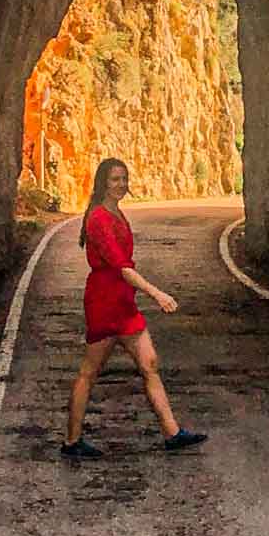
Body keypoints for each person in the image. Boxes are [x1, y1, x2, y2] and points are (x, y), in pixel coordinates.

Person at [62, 157, 208, 460]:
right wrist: (157, 294)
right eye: (115, 179)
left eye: (124, 179)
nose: (121, 185)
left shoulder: (115, 213)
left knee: (149, 363)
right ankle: (71, 441)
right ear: (103, 182)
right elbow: (121, 267)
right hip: (105, 301)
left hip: (123, 301)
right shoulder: (99, 219)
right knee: (89, 372)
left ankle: (172, 432)